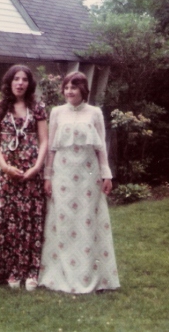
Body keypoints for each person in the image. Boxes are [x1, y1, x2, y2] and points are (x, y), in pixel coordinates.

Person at [38, 71, 120, 294]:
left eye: (73, 87)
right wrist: (47, 176)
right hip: (62, 174)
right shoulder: (56, 112)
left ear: (83, 90)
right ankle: (60, 273)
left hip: (88, 175)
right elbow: (52, 148)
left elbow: (101, 146)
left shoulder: (94, 113)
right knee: (63, 221)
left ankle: (90, 273)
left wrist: (107, 175)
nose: (69, 91)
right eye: (66, 87)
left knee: (86, 221)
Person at [0, 64, 48, 291]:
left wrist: (36, 167)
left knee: (31, 221)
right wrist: (4, 167)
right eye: (16, 79)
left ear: (29, 83)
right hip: (7, 173)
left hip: (31, 173)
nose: (20, 83)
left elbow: (44, 140)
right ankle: (11, 272)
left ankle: (31, 272)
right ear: (9, 82)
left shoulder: (38, 107)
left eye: (24, 79)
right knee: (8, 221)